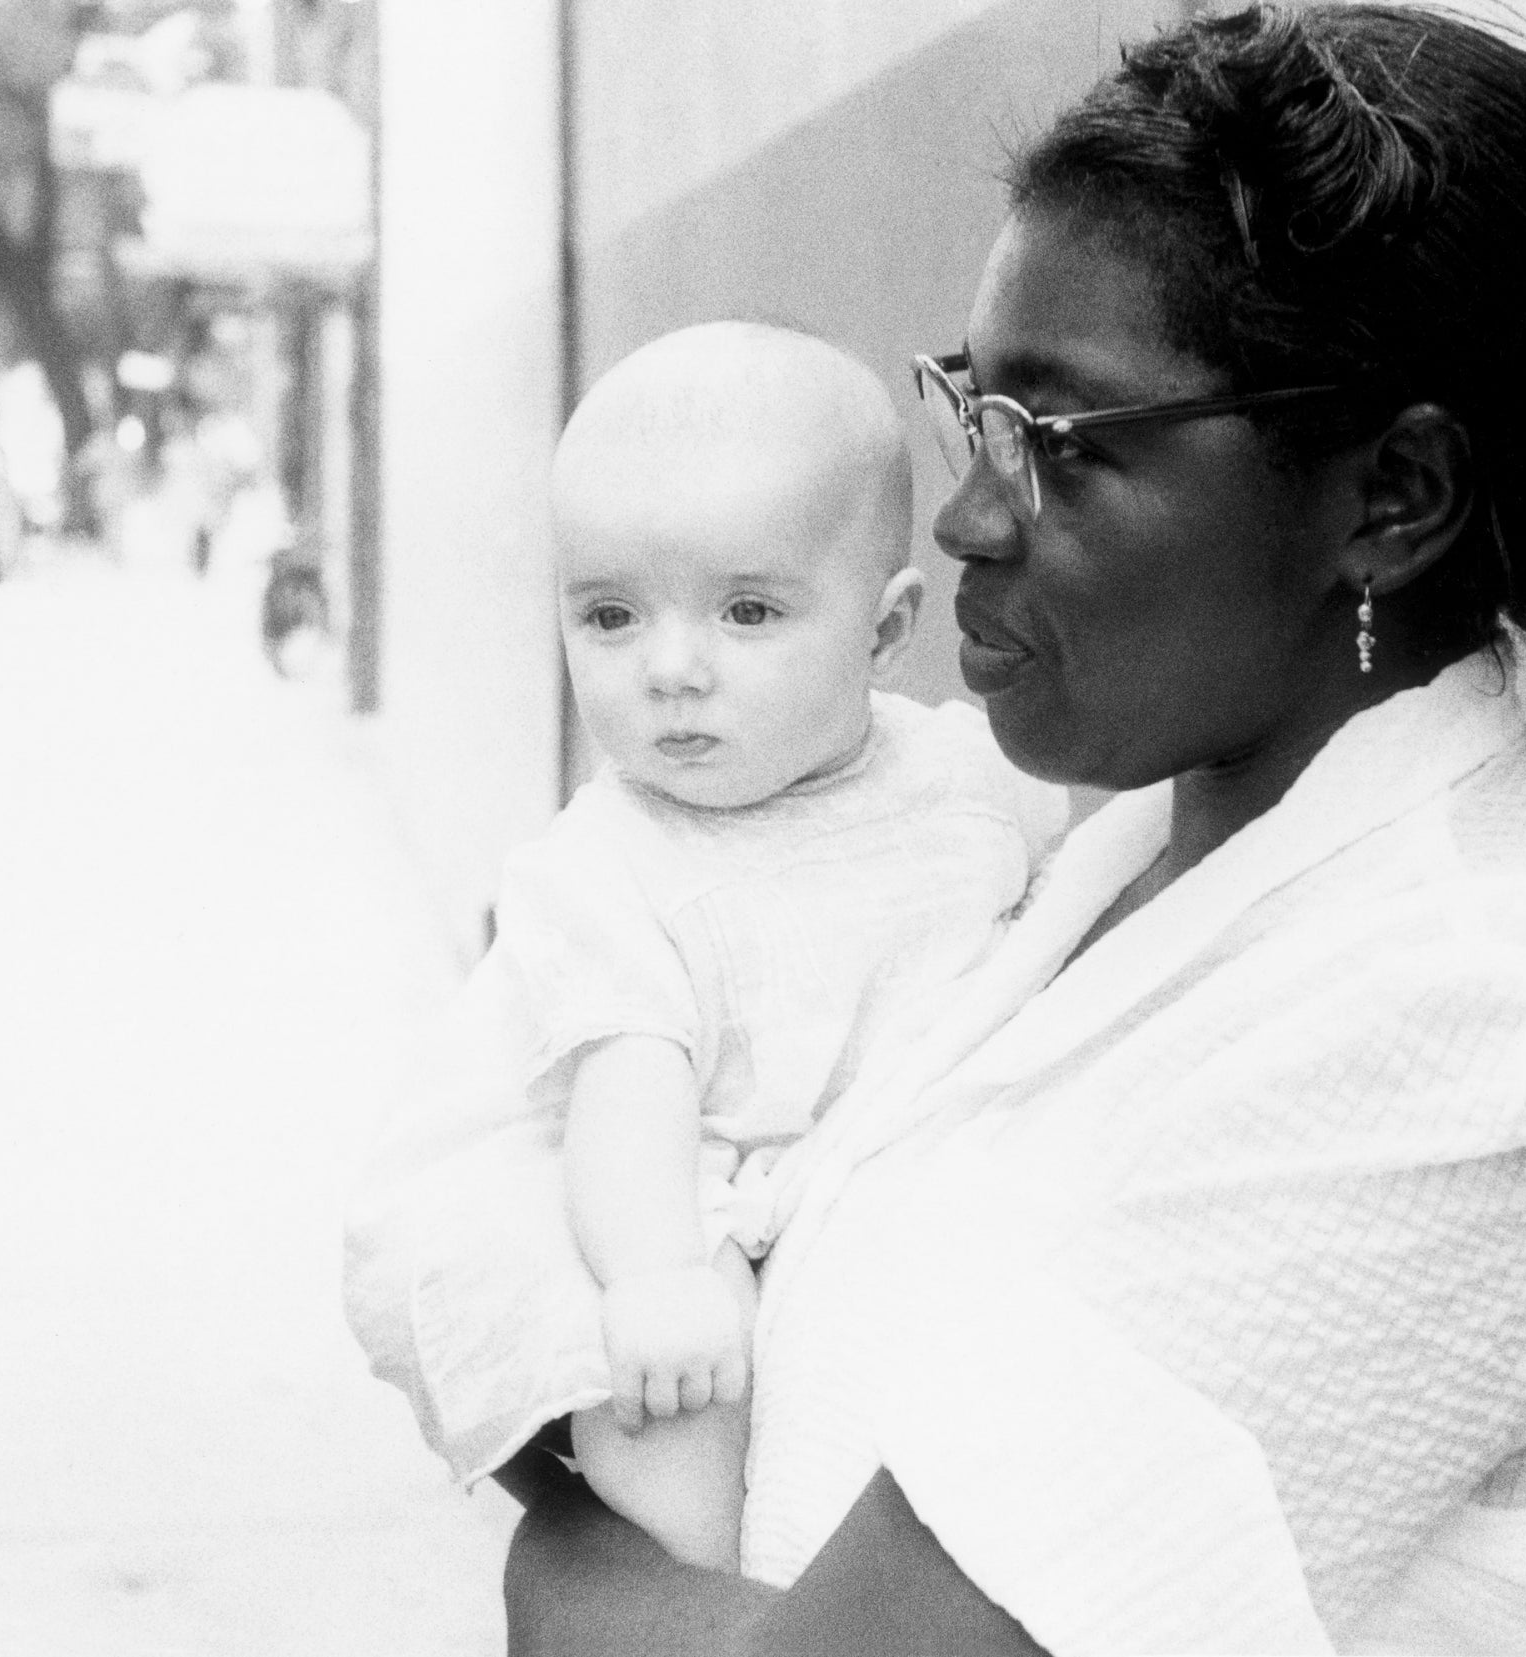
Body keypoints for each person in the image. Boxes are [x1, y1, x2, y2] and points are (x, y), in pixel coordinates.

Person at [379, 6, 1526, 1653]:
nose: (959, 517)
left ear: (1391, 500)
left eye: (1059, 444)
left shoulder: (1492, 1033)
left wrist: (555, 1536)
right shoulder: (1098, 858)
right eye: (973, 408)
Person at [342, 322, 1068, 1572]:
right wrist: (656, 1273)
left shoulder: (962, 777)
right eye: (611, 616)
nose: (671, 670)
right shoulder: (608, 865)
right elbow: (631, 1090)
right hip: (698, 1192)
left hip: (900, 1163)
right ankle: (710, 1587)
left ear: (886, 632)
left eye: (746, 612)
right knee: (674, 1397)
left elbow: (1056, 908)